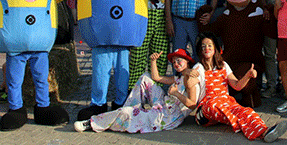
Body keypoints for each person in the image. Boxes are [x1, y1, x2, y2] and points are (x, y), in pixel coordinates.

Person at [74, 48, 204, 133]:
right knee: (145, 77)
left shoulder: (190, 79)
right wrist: (153, 61)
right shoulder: (179, 77)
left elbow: (192, 104)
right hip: (163, 105)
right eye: (174, 62)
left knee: (126, 113)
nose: (176, 64)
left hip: (169, 116)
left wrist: (175, 93)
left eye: (179, 60)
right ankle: (129, 110)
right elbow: (156, 78)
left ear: (187, 61)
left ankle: (93, 123)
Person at [193, 32, 287, 142]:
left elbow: (237, 86)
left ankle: (265, 131)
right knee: (223, 108)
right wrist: (187, 74)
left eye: (209, 45)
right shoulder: (198, 68)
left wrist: (248, 76)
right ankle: (255, 130)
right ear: (200, 50)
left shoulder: (223, 65)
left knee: (246, 111)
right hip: (206, 109)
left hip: (225, 104)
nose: (206, 48)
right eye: (203, 46)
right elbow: (187, 81)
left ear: (215, 48)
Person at [128, 0, 171, 91]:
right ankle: (134, 90)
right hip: (143, 15)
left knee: (159, 54)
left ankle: (156, 90)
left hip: (161, 17)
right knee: (138, 54)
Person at [255, 0, 287, 98]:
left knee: (285, 53)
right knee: (269, 52)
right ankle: (272, 85)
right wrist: (264, 8)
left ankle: (286, 85)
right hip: (269, 13)